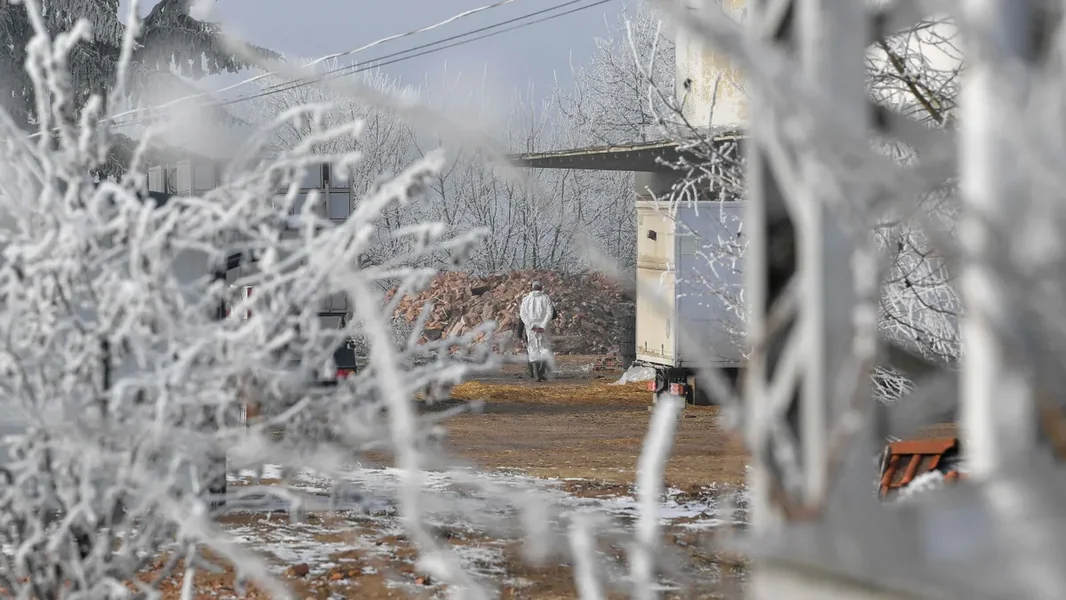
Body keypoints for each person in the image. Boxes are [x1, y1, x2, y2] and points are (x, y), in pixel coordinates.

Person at [520, 281, 555, 381]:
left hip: (531, 329)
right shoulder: (546, 298)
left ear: (531, 288)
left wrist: (531, 326)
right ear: (541, 287)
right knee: (545, 349)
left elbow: (523, 315)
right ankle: (540, 371)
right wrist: (543, 326)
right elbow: (550, 313)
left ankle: (536, 374)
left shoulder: (526, 299)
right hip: (544, 328)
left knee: (532, 349)